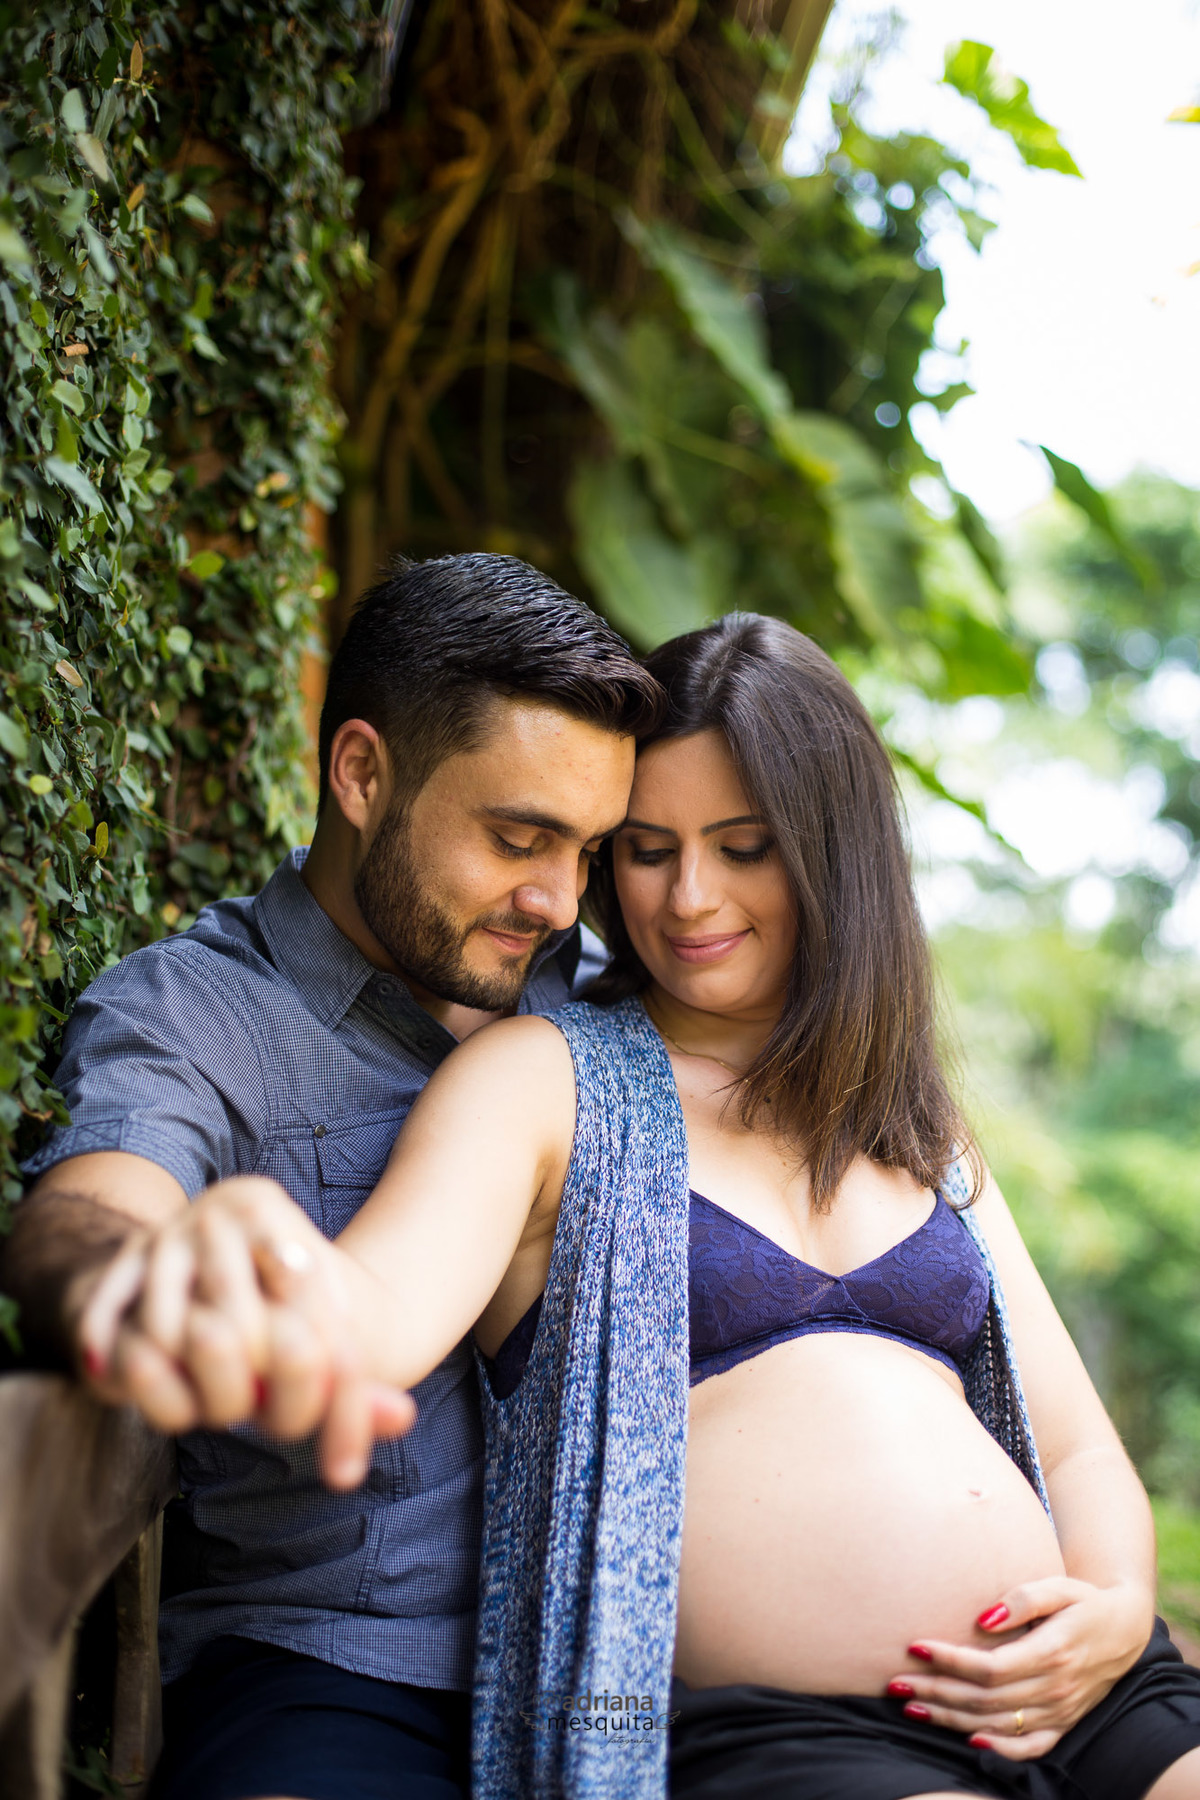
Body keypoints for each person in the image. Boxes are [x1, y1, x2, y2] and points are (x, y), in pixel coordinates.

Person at [74, 614, 1200, 1800]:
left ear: (833, 853)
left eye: (744, 845)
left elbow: (1070, 1443)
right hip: (785, 1730)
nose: (689, 897)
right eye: (649, 850)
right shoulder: (543, 1078)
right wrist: (242, 1276)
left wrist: (1120, 1609)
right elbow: (374, 1310)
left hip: (1082, 1683)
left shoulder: (912, 1121)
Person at [2, 552, 663, 1800]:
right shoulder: (196, 1013)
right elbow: (91, 1207)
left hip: (634, 1666)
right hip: (335, 1667)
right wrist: (140, 1276)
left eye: (586, 849)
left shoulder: (611, 1007)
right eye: (518, 837)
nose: (555, 900)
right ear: (362, 773)